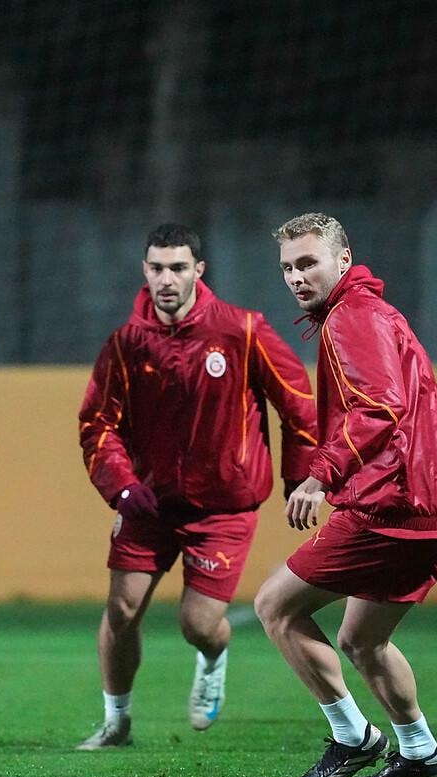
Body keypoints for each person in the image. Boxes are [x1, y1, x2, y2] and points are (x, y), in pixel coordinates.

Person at [77, 223, 318, 749]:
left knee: (198, 625)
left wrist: (300, 477)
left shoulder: (242, 330)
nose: (167, 279)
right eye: (157, 268)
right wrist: (121, 486)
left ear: (198, 271)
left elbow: (299, 404)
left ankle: (213, 655)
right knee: (121, 609)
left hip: (223, 508)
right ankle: (116, 723)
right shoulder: (125, 345)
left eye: (178, 268)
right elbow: (97, 425)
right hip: (149, 503)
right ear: (145, 271)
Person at [255, 212, 437, 777]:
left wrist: (319, 476)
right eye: (287, 268)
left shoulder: (352, 316)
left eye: (308, 263)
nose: (296, 277)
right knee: (363, 640)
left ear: (343, 260)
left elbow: (378, 407)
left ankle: (353, 737)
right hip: (432, 505)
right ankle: (421, 751)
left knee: (276, 607)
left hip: (392, 506)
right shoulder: (367, 311)